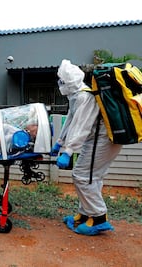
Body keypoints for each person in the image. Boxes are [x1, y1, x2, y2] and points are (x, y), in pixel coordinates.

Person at [51, 59, 122, 236]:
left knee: (82, 176)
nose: (60, 83)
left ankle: (99, 218)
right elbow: (71, 120)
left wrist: (68, 151)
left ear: (69, 81)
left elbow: (82, 126)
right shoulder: (76, 96)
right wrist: (60, 143)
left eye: (62, 80)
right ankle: (85, 215)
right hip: (98, 140)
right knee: (91, 177)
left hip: (103, 140)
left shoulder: (85, 96)